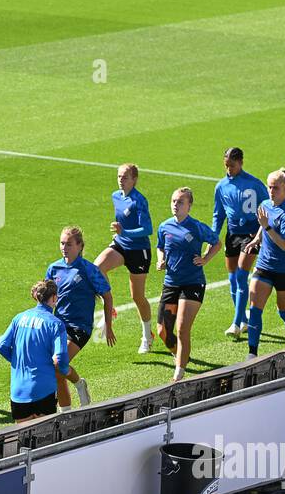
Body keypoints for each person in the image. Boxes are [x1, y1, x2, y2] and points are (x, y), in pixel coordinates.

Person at [154, 187, 220, 381]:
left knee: (182, 328)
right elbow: (160, 246)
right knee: (162, 331)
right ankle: (182, 354)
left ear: (189, 206)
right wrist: (161, 259)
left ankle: (180, 371)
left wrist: (205, 259)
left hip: (193, 283)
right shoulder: (164, 227)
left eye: (180, 202)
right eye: (174, 201)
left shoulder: (197, 227)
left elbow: (216, 242)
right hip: (171, 283)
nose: (176, 205)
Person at [46, 226, 115, 410]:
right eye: (62, 243)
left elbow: (107, 296)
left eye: (68, 244)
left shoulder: (89, 270)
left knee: (58, 364)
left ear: (80, 246)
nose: (64, 247)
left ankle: (77, 385)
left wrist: (108, 325)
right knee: (56, 372)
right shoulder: (54, 268)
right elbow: (48, 298)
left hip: (79, 327)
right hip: (58, 326)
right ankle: (66, 411)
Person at [95, 164, 156, 353]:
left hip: (139, 250)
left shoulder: (139, 200)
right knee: (97, 268)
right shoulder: (116, 196)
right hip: (122, 245)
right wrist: (119, 234)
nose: (121, 179)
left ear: (134, 179)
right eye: (119, 176)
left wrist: (125, 231)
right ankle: (109, 306)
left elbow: (148, 229)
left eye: (125, 177)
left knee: (137, 297)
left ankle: (147, 336)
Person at [243, 170, 285, 359]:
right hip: (264, 266)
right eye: (269, 187)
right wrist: (257, 239)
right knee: (254, 310)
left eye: (275, 187)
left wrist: (267, 226)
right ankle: (252, 353)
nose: (271, 191)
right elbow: (263, 225)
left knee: (284, 312)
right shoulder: (265, 205)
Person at [212, 147, 268, 339]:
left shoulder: (255, 184)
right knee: (232, 279)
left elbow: (267, 207)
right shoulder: (221, 186)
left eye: (232, 166)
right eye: (226, 166)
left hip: (251, 235)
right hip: (232, 234)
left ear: (241, 163)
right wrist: (213, 236)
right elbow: (218, 214)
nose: (229, 170)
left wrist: (261, 233)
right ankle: (243, 319)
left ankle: (236, 323)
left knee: (241, 276)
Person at [0, 281, 71, 423]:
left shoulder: (19, 318)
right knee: (45, 438)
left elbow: (2, 346)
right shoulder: (55, 323)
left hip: (18, 392)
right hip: (44, 389)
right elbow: (60, 357)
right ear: (55, 298)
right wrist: (66, 372)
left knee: (24, 439)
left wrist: (17, 362)